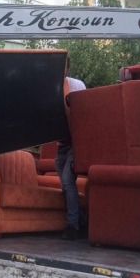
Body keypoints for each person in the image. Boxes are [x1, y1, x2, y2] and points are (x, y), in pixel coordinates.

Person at [56, 59, 86, 240]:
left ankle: (73, 225)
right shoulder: (50, 87)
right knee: (64, 185)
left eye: (64, 66)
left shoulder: (76, 85)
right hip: (61, 145)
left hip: (75, 143)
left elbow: (84, 113)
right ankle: (81, 218)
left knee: (68, 181)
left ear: (67, 67)